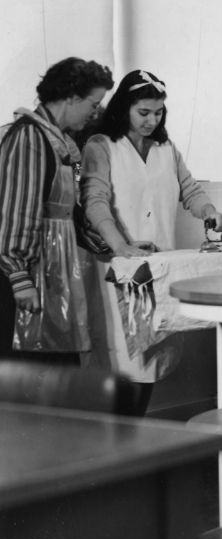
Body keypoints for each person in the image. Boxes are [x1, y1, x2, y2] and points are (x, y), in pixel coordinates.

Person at [80, 69, 222, 382]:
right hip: (119, 266)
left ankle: (141, 427)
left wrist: (209, 211)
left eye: (159, 113)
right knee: (124, 361)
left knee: (156, 360)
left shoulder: (166, 149)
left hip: (160, 266)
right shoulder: (101, 146)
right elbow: (95, 202)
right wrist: (121, 245)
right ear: (123, 108)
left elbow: (190, 190)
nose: (152, 121)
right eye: (144, 113)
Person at [0, 57, 114, 363]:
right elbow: (17, 210)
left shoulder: (60, 142)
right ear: (72, 98)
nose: (95, 112)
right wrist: (20, 278)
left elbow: (69, 213)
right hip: (25, 274)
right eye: (93, 103)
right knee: (31, 369)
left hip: (54, 270)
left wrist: (117, 247)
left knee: (56, 364)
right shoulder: (29, 137)